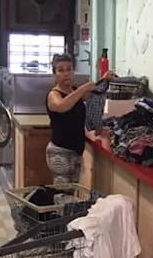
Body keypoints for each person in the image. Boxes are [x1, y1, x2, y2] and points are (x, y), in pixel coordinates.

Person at [46, 53, 114, 185]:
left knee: (71, 190)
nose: (66, 73)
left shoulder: (74, 91)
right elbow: (62, 106)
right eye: (61, 70)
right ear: (54, 74)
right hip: (60, 152)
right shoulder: (53, 94)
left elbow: (93, 94)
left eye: (69, 69)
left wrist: (104, 80)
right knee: (63, 192)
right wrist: (82, 89)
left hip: (75, 151)